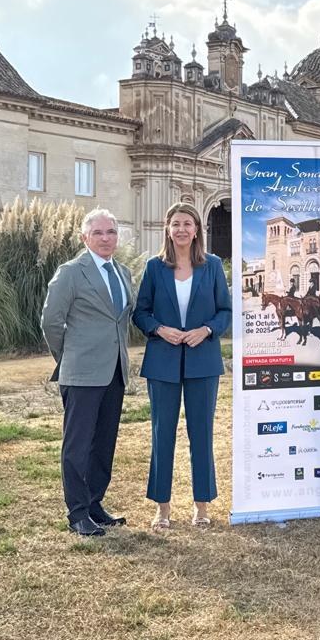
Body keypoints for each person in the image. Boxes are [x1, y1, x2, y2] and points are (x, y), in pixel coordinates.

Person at [133, 202, 232, 529]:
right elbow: (140, 312)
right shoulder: (153, 267)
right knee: (163, 436)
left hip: (203, 362)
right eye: (175, 224)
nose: (181, 230)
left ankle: (201, 507)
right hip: (162, 362)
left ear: (197, 229)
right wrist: (160, 328)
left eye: (187, 224)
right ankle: (162, 509)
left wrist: (206, 330)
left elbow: (225, 312)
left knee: (201, 434)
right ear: (167, 228)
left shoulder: (214, 266)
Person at [41, 208, 136, 537]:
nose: (106, 238)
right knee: (78, 445)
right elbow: (51, 322)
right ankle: (78, 512)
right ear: (84, 238)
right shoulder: (70, 273)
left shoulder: (123, 272)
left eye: (111, 231)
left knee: (104, 442)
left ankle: (95, 503)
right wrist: (67, 357)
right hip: (81, 372)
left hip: (114, 371)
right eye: (98, 233)